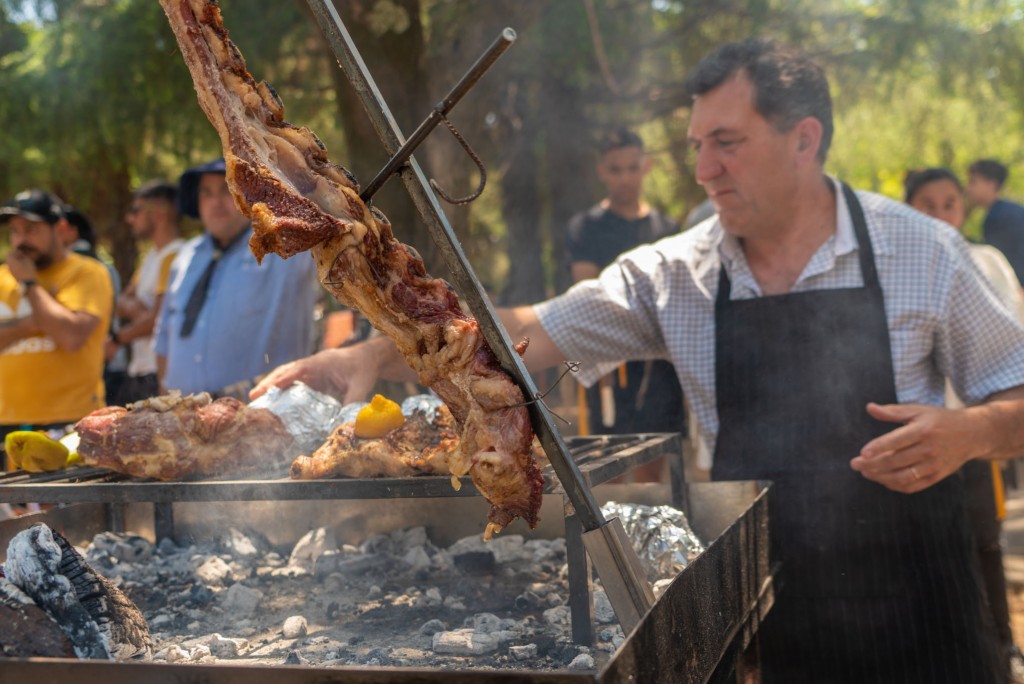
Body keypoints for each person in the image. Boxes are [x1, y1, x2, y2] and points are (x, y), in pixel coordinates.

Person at [252, 39, 1024, 682]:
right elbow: (529, 330)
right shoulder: (679, 273)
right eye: (696, 146)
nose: (703, 170)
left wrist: (973, 432)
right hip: (771, 606)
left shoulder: (921, 251)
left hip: (925, 608)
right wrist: (368, 356)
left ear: (804, 138)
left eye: (727, 143)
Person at [905, 166, 1024, 674]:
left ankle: (1003, 648)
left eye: (949, 203)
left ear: (963, 209)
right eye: (926, 205)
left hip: (976, 434)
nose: (939, 214)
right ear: (906, 209)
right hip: (915, 436)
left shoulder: (987, 261)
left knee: (984, 540)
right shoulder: (896, 268)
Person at [154, 159, 318, 397]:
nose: (216, 202)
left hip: (260, 414)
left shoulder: (284, 249)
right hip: (183, 414)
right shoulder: (184, 258)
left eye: (227, 190)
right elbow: (163, 339)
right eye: (206, 193)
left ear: (250, 197)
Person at [566, 128, 685, 444]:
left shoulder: (668, 229)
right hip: (609, 362)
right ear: (602, 171)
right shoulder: (585, 228)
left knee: (658, 452)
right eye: (616, 169)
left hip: (659, 364)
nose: (625, 178)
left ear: (645, 166)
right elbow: (589, 291)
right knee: (609, 454)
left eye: (633, 168)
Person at [0, 189, 113, 467]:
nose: (20, 241)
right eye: (14, 231)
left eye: (30, 229)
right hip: (8, 428)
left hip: (71, 425)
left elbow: (71, 335)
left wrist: (29, 284)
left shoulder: (87, 272)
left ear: (60, 228)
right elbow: (54, 324)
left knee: (72, 512)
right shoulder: (3, 277)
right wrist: (32, 324)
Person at [110, 180, 184, 403]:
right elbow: (121, 302)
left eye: (136, 210)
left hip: (159, 372)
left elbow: (159, 321)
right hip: (141, 370)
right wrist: (146, 315)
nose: (130, 219)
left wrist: (117, 338)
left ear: (159, 213)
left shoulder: (177, 255)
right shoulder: (152, 257)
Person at [61, 205, 127, 405]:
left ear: (73, 231)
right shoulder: (105, 266)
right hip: (112, 360)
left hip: (91, 366)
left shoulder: (80, 267)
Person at [967, 159, 1024, 287]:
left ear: (991, 185)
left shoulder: (1000, 216)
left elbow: (996, 263)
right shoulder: (1008, 210)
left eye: (973, 182)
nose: (968, 188)